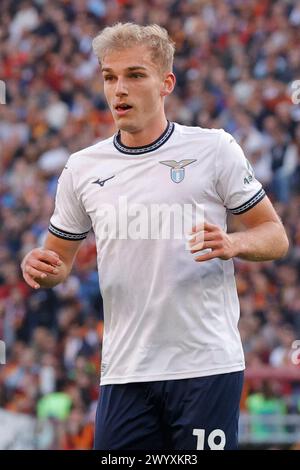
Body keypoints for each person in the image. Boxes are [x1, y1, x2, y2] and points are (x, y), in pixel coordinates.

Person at [21, 23, 289, 450]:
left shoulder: (213, 149)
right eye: (109, 77)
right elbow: (58, 262)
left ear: (166, 83)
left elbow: (275, 235)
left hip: (204, 366)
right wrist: (39, 266)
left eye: (134, 75)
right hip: (126, 371)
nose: (118, 90)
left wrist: (234, 243)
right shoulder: (82, 168)